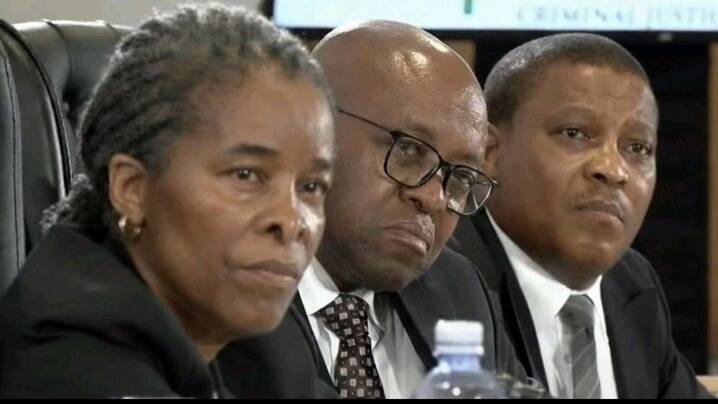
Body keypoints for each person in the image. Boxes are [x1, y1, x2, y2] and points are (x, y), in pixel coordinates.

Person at [0, 3, 335, 399]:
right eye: (246, 175)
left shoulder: (250, 328)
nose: (292, 221)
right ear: (132, 189)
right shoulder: (70, 372)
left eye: (311, 186)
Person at [218, 20, 531, 399]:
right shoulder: (220, 279)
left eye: (461, 177)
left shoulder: (458, 289)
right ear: (311, 126)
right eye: (409, 150)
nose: (433, 198)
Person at [450, 33, 711, 398]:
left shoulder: (631, 284)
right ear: (488, 152)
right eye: (574, 133)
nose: (613, 169)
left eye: (638, 147)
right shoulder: (444, 283)